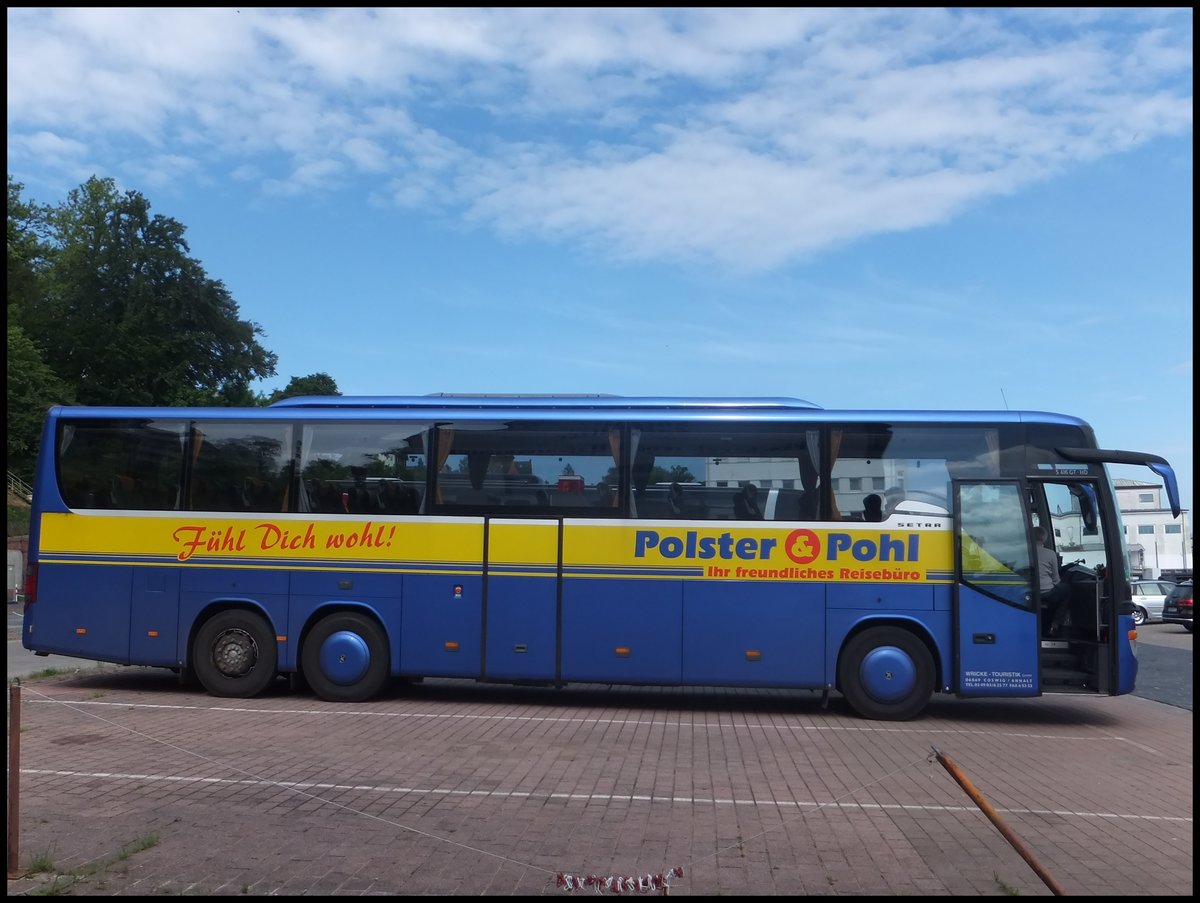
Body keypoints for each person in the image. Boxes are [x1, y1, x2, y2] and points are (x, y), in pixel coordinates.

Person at [1035, 526, 1071, 635]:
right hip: (1047, 593)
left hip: (1030, 592)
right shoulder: (1050, 554)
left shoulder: (1025, 553)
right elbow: (1056, 579)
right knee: (1067, 589)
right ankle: (1055, 624)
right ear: (1044, 539)